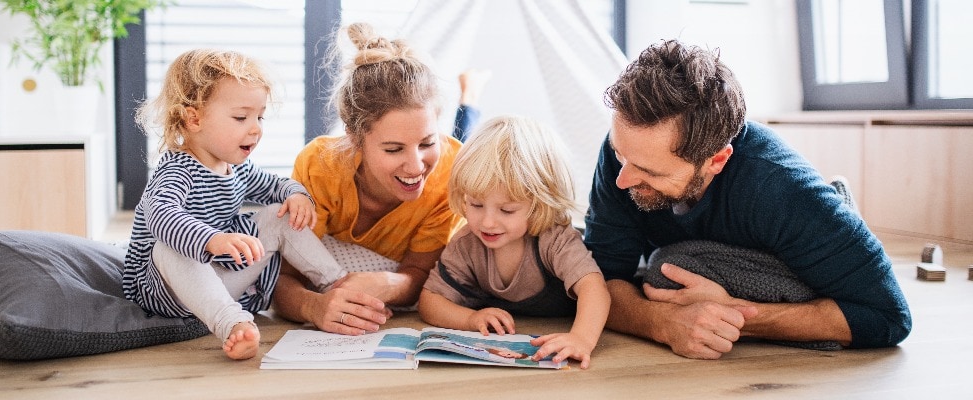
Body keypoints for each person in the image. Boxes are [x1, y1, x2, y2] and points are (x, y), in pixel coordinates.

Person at [584, 40, 911, 359]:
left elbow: (888, 317)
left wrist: (736, 316)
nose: (622, 179)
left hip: (790, 233)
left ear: (716, 160)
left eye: (648, 171)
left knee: (666, 270)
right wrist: (660, 323)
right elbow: (597, 281)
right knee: (663, 273)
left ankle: (840, 211)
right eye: (619, 153)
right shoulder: (628, 153)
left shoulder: (782, 190)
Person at [122, 49, 347, 360]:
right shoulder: (177, 171)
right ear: (194, 118)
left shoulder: (237, 169)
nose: (255, 128)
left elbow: (276, 185)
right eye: (241, 117)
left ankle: (337, 282)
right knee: (167, 246)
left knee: (276, 214)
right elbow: (159, 216)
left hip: (221, 280)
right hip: (168, 290)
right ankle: (232, 323)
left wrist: (297, 195)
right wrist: (211, 240)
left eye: (260, 116)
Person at [271, 22, 464, 336]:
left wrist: (390, 283)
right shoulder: (321, 167)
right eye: (393, 149)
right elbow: (282, 278)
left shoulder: (450, 171)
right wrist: (314, 307)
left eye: (428, 143)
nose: (416, 166)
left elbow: (421, 273)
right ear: (355, 138)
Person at [419, 116, 610, 369]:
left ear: (539, 205)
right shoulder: (467, 242)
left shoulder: (554, 238)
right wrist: (471, 319)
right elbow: (430, 300)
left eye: (506, 210)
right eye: (476, 204)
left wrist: (581, 338)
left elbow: (595, 289)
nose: (487, 222)